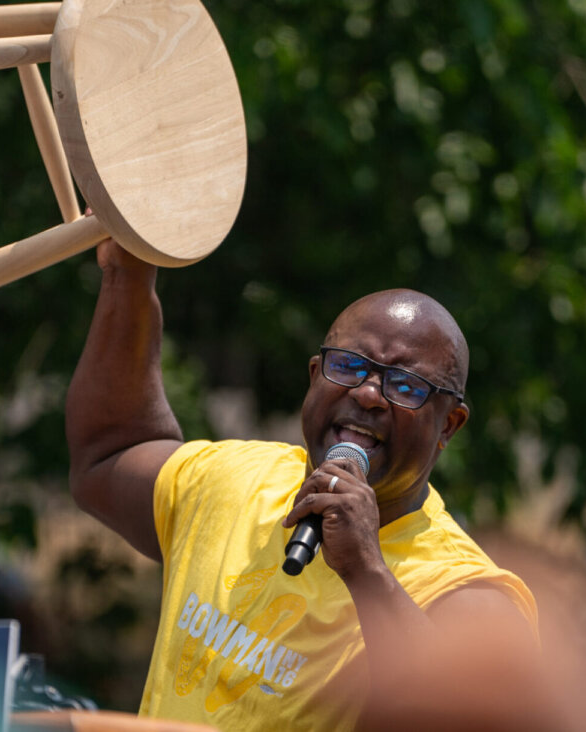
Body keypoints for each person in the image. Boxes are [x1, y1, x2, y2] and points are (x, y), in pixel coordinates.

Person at [65, 235, 538, 730]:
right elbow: (110, 453)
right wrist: (130, 274)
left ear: (448, 425)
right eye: (349, 367)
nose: (369, 394)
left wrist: (366, 569)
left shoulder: (468, 595)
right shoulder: (235, 482)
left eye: (405, 386)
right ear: (315, 375)